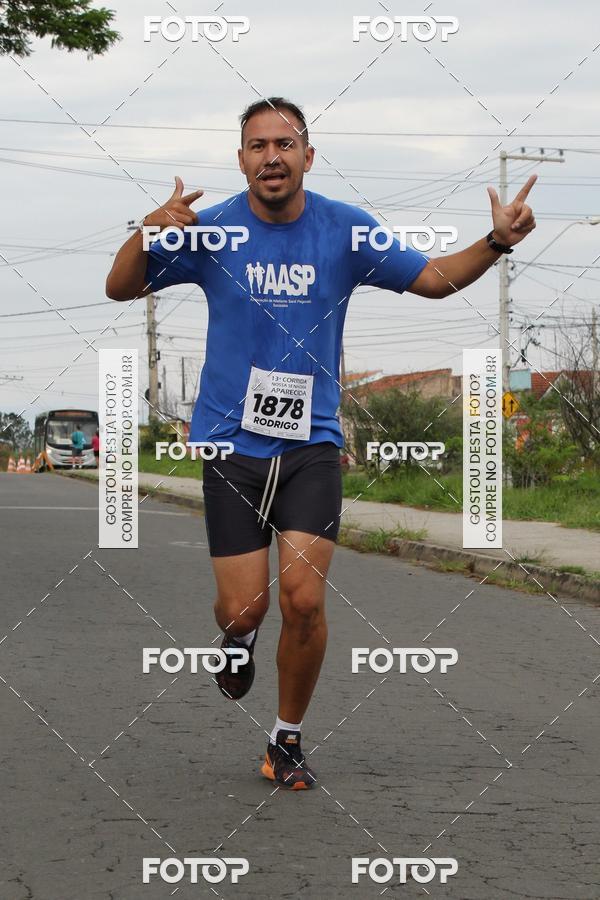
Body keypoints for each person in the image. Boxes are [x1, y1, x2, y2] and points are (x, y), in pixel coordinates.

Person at [106, 97, 536, 790]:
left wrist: (497, 243)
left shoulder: (345, 230)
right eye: (256, 145)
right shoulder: (212, 232)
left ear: (309, 154)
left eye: (285, 143)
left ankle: (286, 739)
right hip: (229, 443)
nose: (271, 156)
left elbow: (432, 279)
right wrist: (147, 233)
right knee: (245, 607)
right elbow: (119, 287)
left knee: (303, 600)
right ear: (239, 158)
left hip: (312, 444)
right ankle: (238, 639)